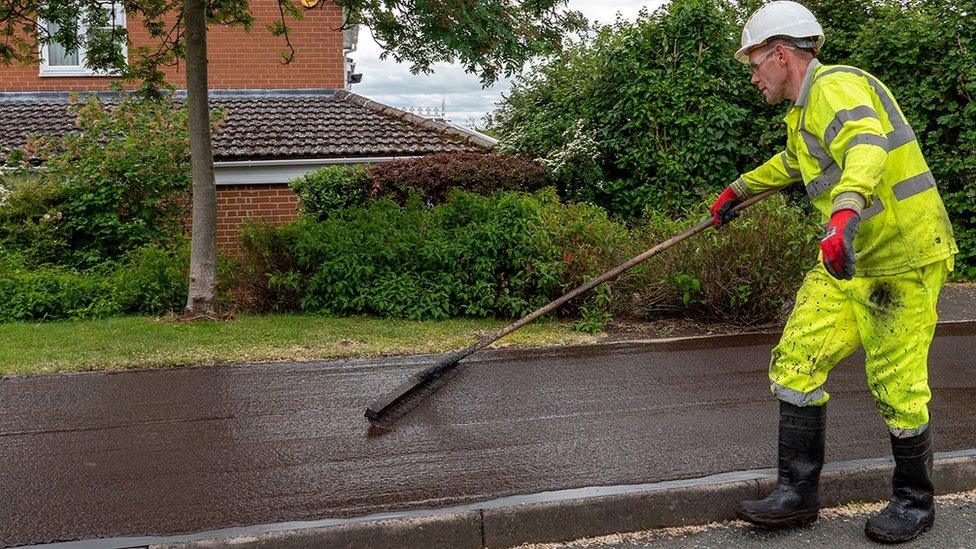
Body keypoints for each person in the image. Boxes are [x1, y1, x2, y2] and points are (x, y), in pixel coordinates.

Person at [709, 1, 958, 543]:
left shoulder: (837, 87)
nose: (753, 77)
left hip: (902, 259)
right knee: (797, 359)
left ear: (780, 53)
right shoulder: (803, 113)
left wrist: (843, 215)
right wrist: (740, 191)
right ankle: (796, 495)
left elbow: (865, 145)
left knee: (897, 384)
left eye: (755, 64)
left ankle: (915, 502)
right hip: (847, 259)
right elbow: (795, 164)